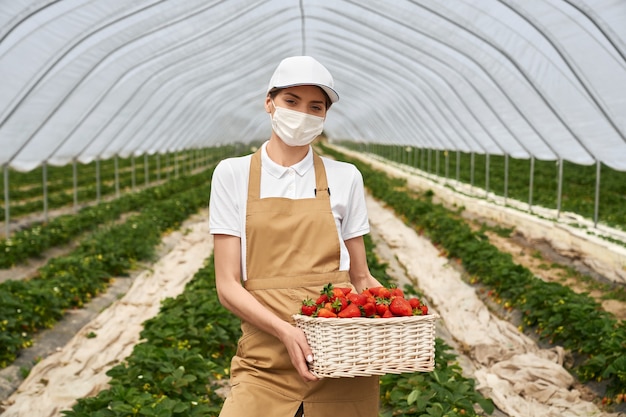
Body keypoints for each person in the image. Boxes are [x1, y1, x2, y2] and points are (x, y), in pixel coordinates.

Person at [209, 56, 382, 417]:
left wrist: (397, 316)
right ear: (269, 102)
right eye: (292, 101)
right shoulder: (232, 174)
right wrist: (286, 332)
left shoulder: (345, 176)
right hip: (264, 358)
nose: (303, 113)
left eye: (315, 107)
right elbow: (227, 284)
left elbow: (360, 276)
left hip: (338, 356)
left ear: (324, 116)